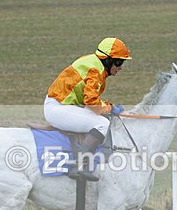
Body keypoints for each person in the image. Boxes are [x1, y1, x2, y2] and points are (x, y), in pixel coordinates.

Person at [44, 37, 131, 181]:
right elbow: (90, 102)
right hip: (58, 108)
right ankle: (77, 166)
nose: (121, 67)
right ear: (108, 60)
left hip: (61, 105)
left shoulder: (94, 63)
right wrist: (109, 108)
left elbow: (91, 100)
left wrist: (108, 106)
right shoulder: (95, 70)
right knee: (102, 124)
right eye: (119, 62)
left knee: (100, 119)